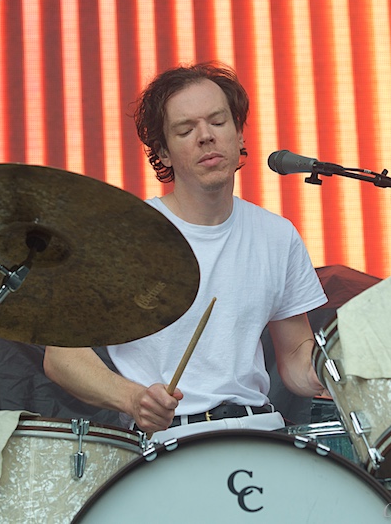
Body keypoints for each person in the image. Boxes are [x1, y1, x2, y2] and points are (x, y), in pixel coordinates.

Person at [43, 62, 327, 440]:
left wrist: (343, 365)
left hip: (259, 432)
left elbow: (294, 362)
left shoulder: (277, 235)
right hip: (168, 442)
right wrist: (133, 399)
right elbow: (61, 356)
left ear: (240, 134)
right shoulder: (127, 235)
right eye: (186, 129)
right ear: (162, 153)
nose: (206, 137)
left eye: (218, 122)